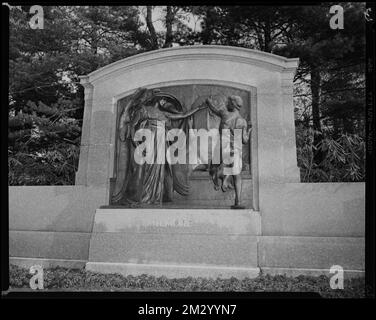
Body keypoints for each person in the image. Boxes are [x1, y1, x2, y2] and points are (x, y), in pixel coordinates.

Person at [205, 95, 252, 209]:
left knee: (213, 167)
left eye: (229, 102)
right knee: (237, 175)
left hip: (223, 147)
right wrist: (249, 130)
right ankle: (238, 201)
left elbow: (214, 108)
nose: (226, 103)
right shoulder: (242, 121)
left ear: (233, 104)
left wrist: (208, 101)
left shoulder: (225, 114)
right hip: (235, 148)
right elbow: (245, 140)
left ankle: (219, 176)